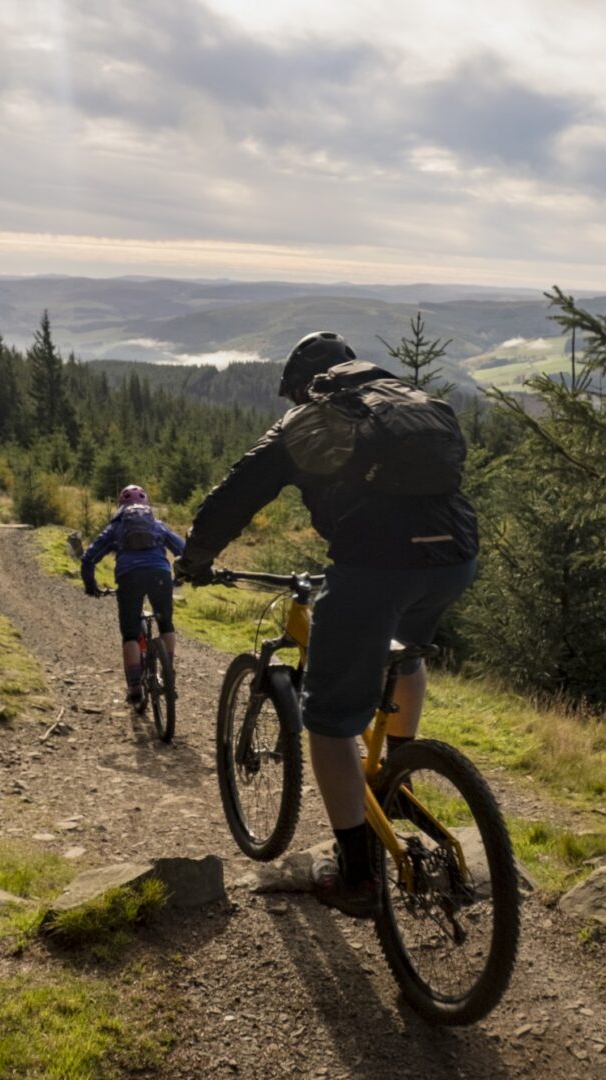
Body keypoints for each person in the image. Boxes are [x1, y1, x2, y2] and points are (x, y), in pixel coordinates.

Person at [175, 331, 478, 918]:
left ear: (302, 387)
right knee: (405, 652)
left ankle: (358, 874)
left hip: (376, 563)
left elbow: (238, 491)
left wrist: (196, 559)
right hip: (455, 556)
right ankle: (400, 772)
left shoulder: (308, 418)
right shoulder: (402, 397)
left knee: (330, 723)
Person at [81, 485, 186, 705]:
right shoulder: (157, 525)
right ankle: (169, 674)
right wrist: (180, 576)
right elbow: (182, 550)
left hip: (129, 577)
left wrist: (91, 586)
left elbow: (88, 558)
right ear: (146, 505)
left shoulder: (115, 527)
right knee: (166, 624)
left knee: (130, 634)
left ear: (120, 506)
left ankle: (135, 685)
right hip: (160, 574)